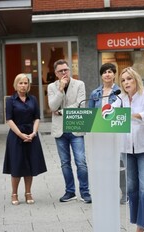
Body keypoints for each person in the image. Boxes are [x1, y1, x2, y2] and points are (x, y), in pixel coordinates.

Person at [112, 67, 144, 232]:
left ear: (136, 79)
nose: (126, 83)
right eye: (123, 80)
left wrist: (127, 114)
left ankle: (142, 226)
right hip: (126, 149)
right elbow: (110, 116)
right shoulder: (120, 100)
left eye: (129, 79)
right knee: (132, 188)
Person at [47, 59, 92, 204]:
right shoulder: (52, 87)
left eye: (66, 69)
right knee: (65, 163)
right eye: (61, 71)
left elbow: (81, 104)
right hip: (60, 131)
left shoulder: (79, 84)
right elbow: (52, 106)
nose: (64, 73)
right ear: (56, 73)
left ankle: (85, 192)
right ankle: (70, 191)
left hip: (76, 127)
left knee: (81, 162)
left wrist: (61, 112)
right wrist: (60, 89)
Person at [3, 73, 47, 205]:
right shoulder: (10, 100)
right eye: (20, 83)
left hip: (31, 135)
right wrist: (21, 135)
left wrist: (34, 132)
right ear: (16, 85)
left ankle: (28, 193)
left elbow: (37, 117)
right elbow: (9, 120)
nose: (23, 86)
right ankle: (14, 194)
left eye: (25, 83)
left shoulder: (33, 99)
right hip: (16, 136)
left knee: (30, 164)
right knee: (17, 164)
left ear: (28, 85)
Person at [88, 62, 127, 204]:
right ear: (101, 75)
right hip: (100, 134)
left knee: (119, 164)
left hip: (115, 133)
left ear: (114, 74)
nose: (107, 74)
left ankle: (124, 192)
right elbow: (90, 115)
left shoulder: (120, 92)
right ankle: (105, 192)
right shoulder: (94, 93)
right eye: (105, 72)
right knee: (103, 165)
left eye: (110, 71)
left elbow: (123, 112)